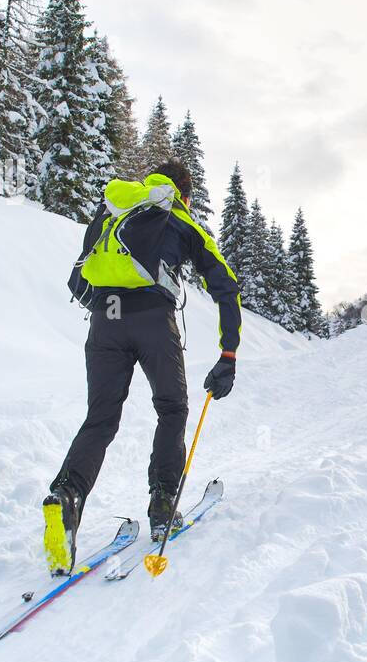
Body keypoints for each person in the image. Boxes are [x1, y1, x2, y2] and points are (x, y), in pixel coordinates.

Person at [42, 160, 241, 575]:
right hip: (153, 320)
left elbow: (80, 276)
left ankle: (67, 497)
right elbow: (224, 284)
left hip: (105, 320)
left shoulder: (117, 207)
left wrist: (110, 309)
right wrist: (228, 355)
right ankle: (163, 502)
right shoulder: (179, 217)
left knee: (100, 419)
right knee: (171, 408)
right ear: (184, 193)